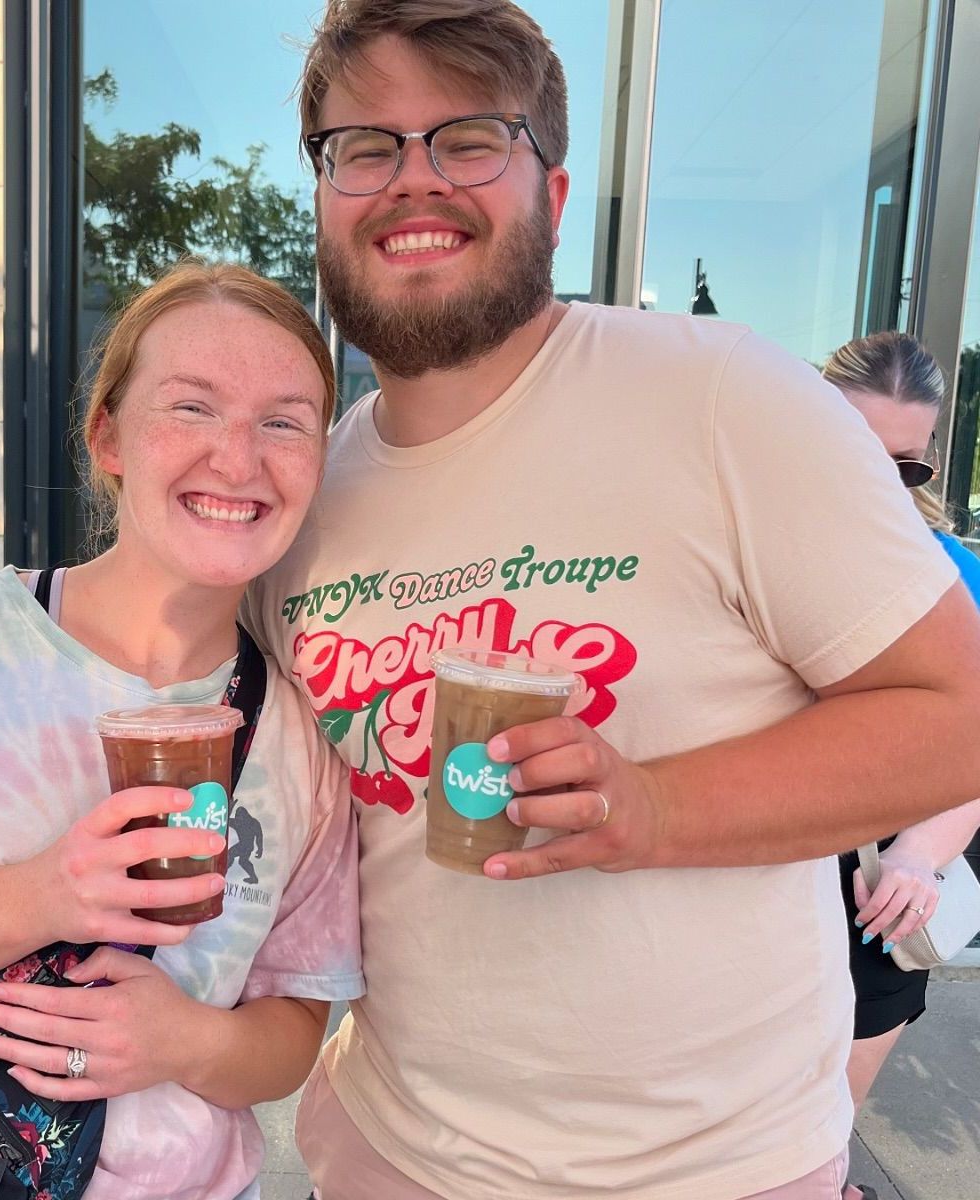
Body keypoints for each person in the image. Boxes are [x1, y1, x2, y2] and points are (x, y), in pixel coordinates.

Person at [243, 3, 980, 1197]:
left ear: (557, 188)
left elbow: (959, 713)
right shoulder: (306, 490)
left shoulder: (723, 398)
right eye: (364, 147)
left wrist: (652, 807)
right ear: (324, 192)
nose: (412, 182)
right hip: (391, 1150)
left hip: (714, 1169)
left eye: (470, 137)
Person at [0, 262, 363, 1200]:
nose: (239, 459)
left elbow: (291, 1031)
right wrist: (43, 896)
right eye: (191, 408)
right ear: (109, 435)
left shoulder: (305, 739)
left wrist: (188, 1039)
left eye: (285, 422)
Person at [821, 333, 980, 1146]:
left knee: (818, 1137)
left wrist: (921, 855)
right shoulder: (740, 541)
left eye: (906, 465)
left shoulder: (951, 570)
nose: (877, 484)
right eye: (852, 447)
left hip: (876, 871)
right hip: (746, 852)